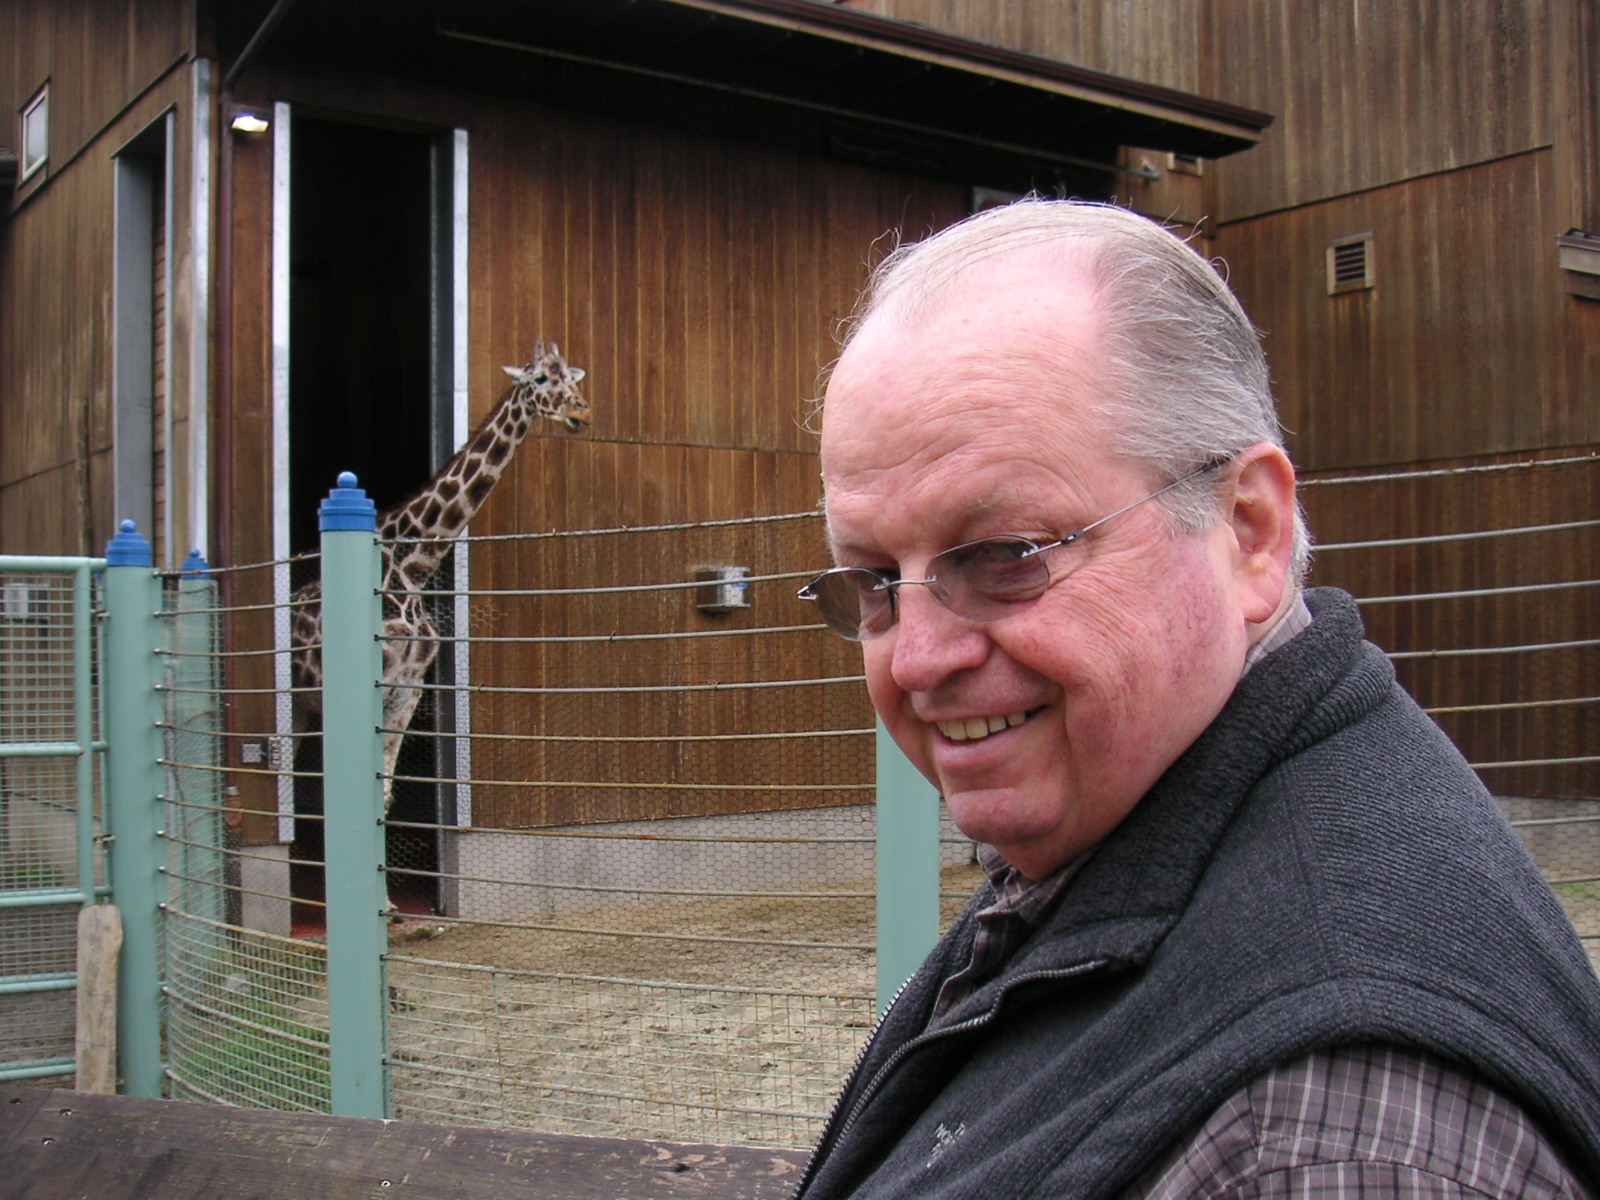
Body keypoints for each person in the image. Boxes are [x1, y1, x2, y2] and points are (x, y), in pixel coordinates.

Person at [793, 198, 1600, 1198]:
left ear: (1249, 533)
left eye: (1005, 555)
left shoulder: (1333, 1135)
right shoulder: (1132, 838)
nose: (915, 660)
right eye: (870, 582)